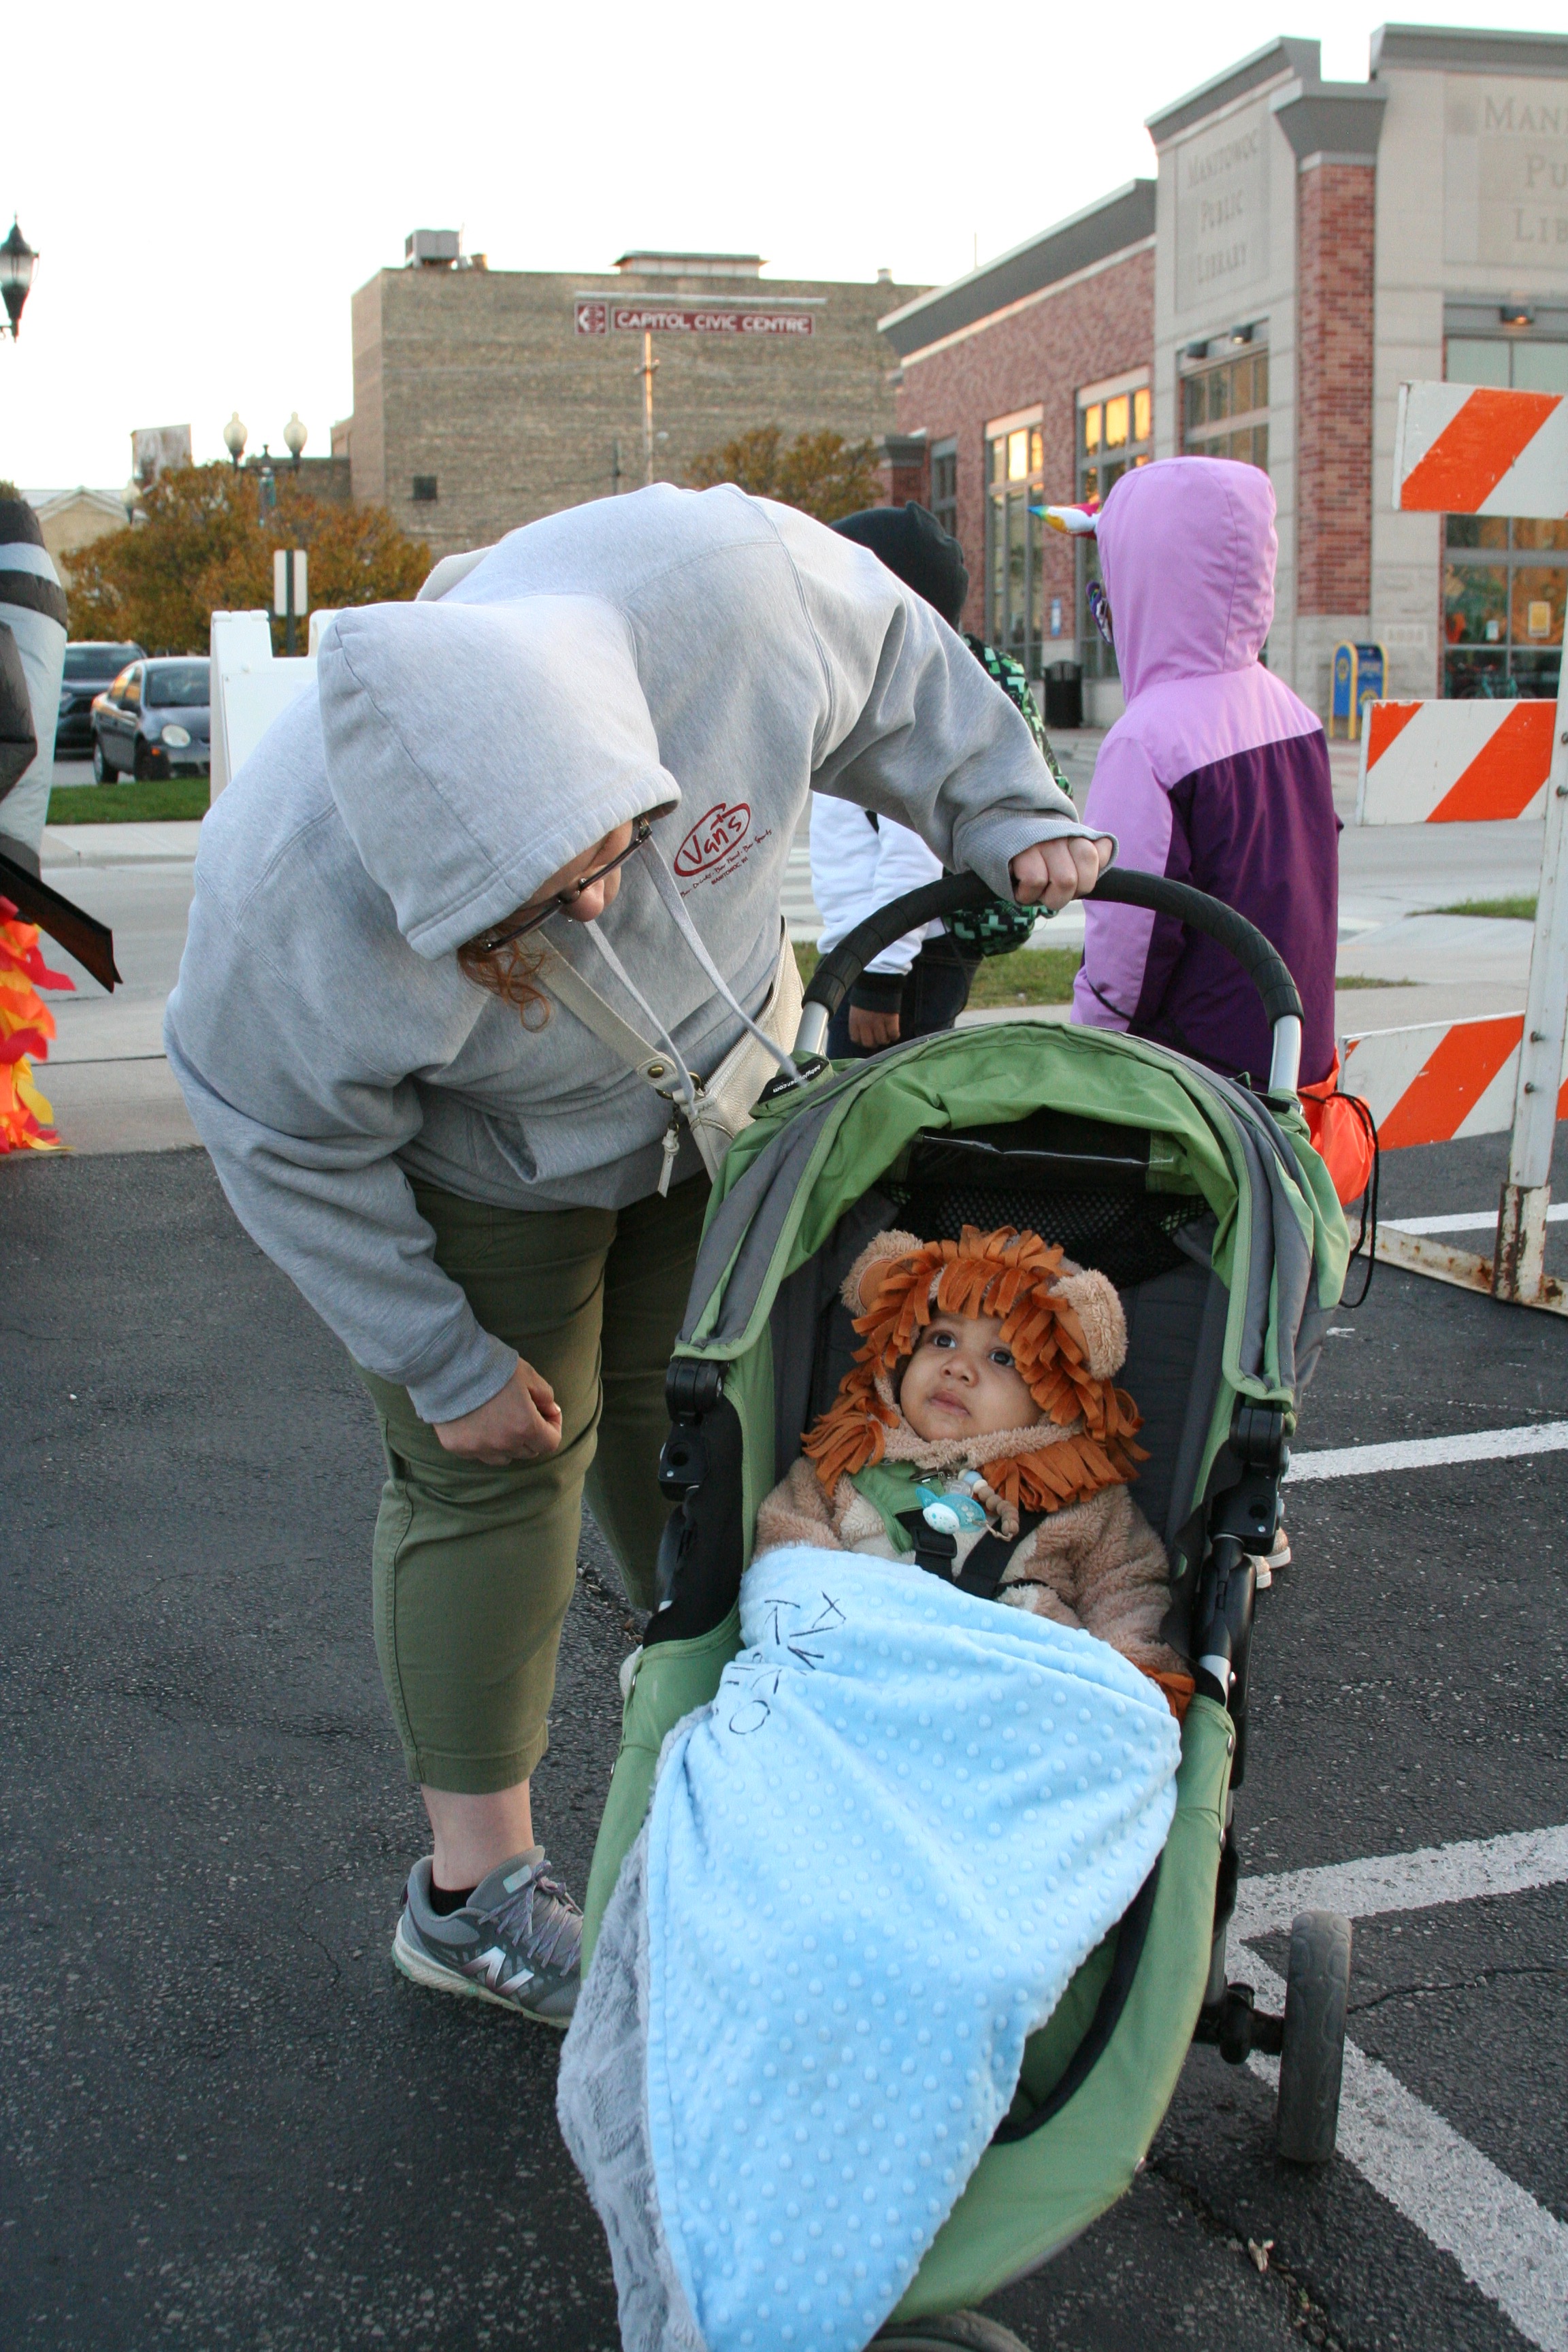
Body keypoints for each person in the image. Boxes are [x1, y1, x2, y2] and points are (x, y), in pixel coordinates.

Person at [165, 483, 1111, 2027]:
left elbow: (899, 659)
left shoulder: (728, 587)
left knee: (709, 1428)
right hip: (487, 1161)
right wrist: (436, 1353)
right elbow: (274, 1130)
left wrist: (1002, 806)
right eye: (525, 913)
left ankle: (723, 1745)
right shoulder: (282, 896)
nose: (591, 904)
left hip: (714, 1092)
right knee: (492, 1470)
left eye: (599, 852)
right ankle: (469, 1899)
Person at [1069, 456, 1350, 1587]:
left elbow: (1129, 930)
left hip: (1185, 1080)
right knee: (1269, 1305)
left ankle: (1163, 1514)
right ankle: (1257, 1501)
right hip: (1292, 1058)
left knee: (1171, 1307)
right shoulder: (1281, 704)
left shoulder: (1149, 736)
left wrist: (1087, 1052)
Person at [754, 1222, 1187, 1695]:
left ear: (1053, 1401)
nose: (958, 1366)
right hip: (860, 1679)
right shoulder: (846, 1466)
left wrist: (1135, 1684)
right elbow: (787, 1554)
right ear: (902, 1354)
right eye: (942, 1340)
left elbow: (1126, 1594)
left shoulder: (1082, 1501)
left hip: (1015, 1697)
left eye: (1002, 1358)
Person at [811, 503, 1069, 1058]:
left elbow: (914, 856)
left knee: (879, 1113)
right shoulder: (880, 688)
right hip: (882, 947)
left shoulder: (907, 704)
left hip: (901, 956)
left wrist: (880, 977)